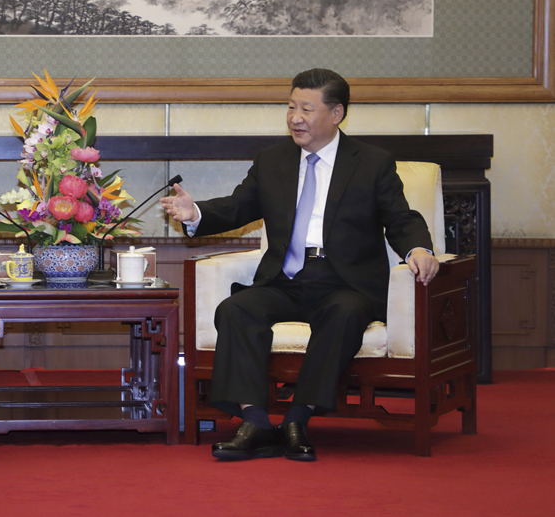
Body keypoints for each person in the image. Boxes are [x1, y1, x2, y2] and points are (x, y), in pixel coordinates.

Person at [160, 68, 438, 462]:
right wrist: (196, 213)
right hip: (285, 279)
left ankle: (297, 419)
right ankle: (255, 421)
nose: (295, 118)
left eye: (307, 109)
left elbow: (400, 218)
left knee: (344, 313)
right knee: (235, 310)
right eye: (291, 107)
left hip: (344, 283)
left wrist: (417, 249)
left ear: (337, 113)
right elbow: (240, 206)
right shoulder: (273, 160)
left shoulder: (371, 163)